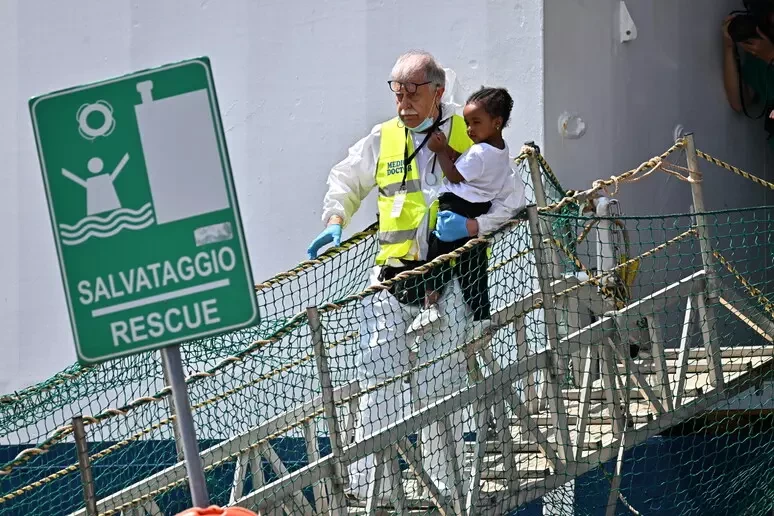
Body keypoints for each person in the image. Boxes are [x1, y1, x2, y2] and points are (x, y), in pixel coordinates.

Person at [306, 51, 523, 502]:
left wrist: (475, 227)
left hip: (450, 281)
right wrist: (335, 217)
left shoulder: (472, 130)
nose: (402, 100)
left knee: (438, 383)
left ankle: (448, 488)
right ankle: (371, 493)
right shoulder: (383, 138)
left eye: (412, 91)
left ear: (438, 91)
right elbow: (348, 177)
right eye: (397, 90)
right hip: (393, 277)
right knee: (377, 379)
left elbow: (513, 198)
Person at [407, 87, 516, 342]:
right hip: (476, 209)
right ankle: (481, 317)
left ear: (496, 122)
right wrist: (455, 155)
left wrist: (441, 150)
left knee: (438, 254)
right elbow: (472, 168)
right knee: (473, 266)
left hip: (455, 207)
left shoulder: (479, 152)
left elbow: (455, 174)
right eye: (467, 123)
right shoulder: (499, 150)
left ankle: (430, 305)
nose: (469, 129)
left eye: (476, 123)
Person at [722, 11, 774, 149]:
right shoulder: (759, 58)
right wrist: (729, 47)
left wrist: (771, 56)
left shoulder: (767, 53)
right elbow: (739, 102)